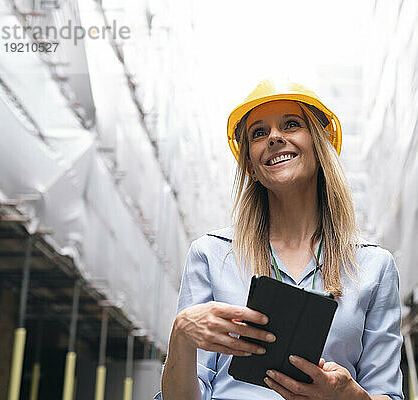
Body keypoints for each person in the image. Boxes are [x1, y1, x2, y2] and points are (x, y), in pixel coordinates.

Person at [156, 79, 404, 400]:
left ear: (320, 145)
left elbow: (387, 392)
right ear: (250, 165)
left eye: (291, 124)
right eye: (259, 133)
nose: (274, 137)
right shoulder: (211, 255)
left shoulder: (374, 266)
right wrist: (181, 336)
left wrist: (350, 397)